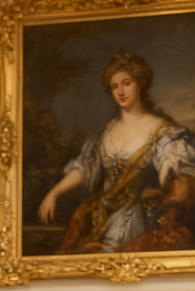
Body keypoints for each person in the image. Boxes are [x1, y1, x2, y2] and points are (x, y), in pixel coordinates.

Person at [38, 50, 195, 253]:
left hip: (134, 219)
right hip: (99, 214)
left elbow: (174, 171)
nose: (120, 91)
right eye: (114, 86)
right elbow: (85, 169)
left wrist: (171, 187)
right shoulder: (107, 131)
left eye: (126, 83)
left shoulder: (162, 131)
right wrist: (54, 193)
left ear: (140, 83)